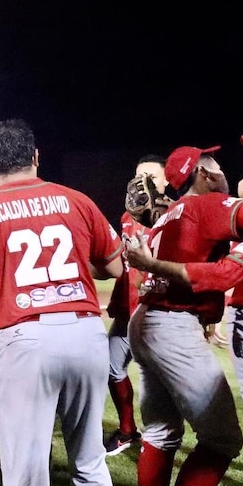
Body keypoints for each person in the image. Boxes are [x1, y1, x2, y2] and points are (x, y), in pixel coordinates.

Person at [0, 119, 122, 486]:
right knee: (89, 459)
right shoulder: (76, 199)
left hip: (27, 336)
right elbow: (114, 267)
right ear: (36, 156)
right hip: (86, 330)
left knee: (26, 467)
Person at [123, 141, 243, 486]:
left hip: (148, 320)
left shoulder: (169, 214)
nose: (227, 173)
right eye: (216, 167)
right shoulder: (208, 204)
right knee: (223, 440)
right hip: (173, 324)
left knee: (162, 431)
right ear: (204, 174)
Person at [103, 154, 168, 457]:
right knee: (111, 366)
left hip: (158, 311)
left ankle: (162, 439)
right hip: (129, 309)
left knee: (158, 380)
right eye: (139, 176)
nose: (144, 183)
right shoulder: (128, 217)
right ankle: (128, 430)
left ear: (166, 181)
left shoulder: (175, 214)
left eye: (152, 177)